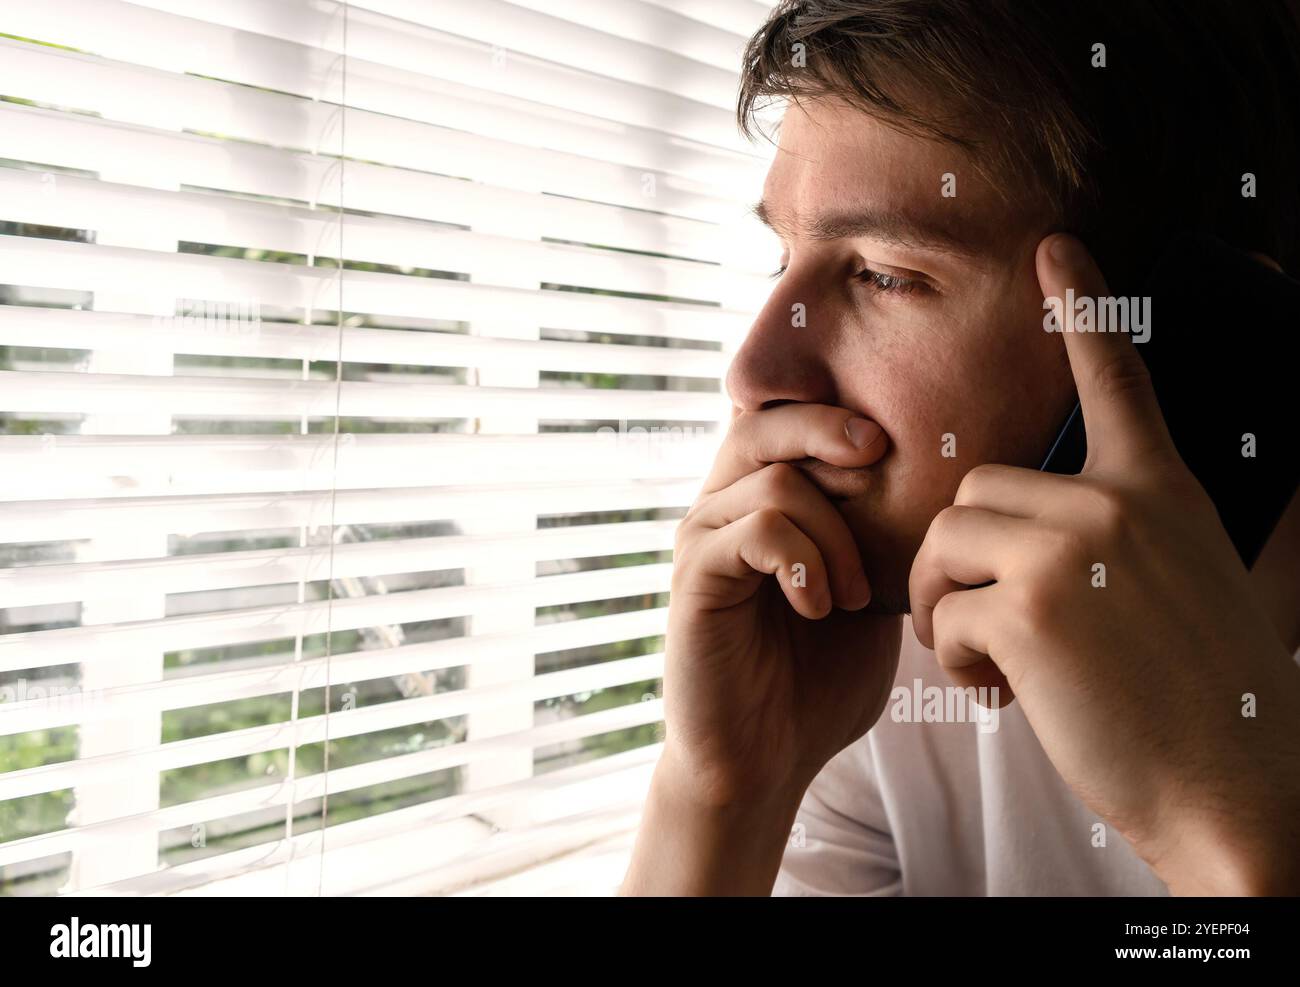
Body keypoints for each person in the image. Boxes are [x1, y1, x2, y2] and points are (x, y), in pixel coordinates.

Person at [620, 0, 1300, 896]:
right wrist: (722, 797)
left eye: (885, 274)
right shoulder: (866, 667)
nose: (751, 373)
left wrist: (1235, 839)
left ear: (1192, 339)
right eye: (782, 258)